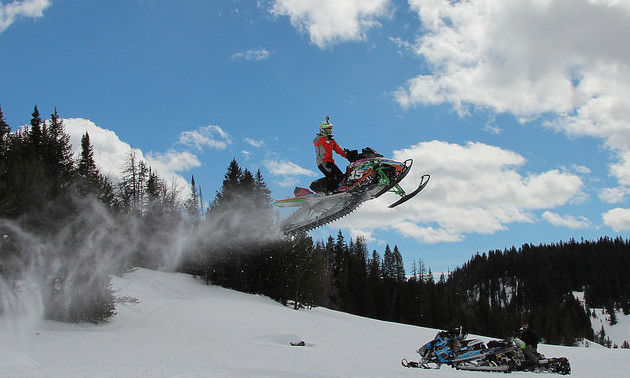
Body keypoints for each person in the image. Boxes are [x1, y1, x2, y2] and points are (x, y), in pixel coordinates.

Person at [311, 116, 348, 193]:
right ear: (322, 130)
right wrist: (325, 137)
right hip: (322, 162)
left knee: (341, 176)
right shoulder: (318, 138)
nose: (329, 132)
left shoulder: (331, 140)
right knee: (332, 176)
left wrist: (347, 155)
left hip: (330, 162)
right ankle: (330, 191)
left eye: (330, 130)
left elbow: (338, 149)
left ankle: (340, 190)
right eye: (327, 130)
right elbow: (315, 142)